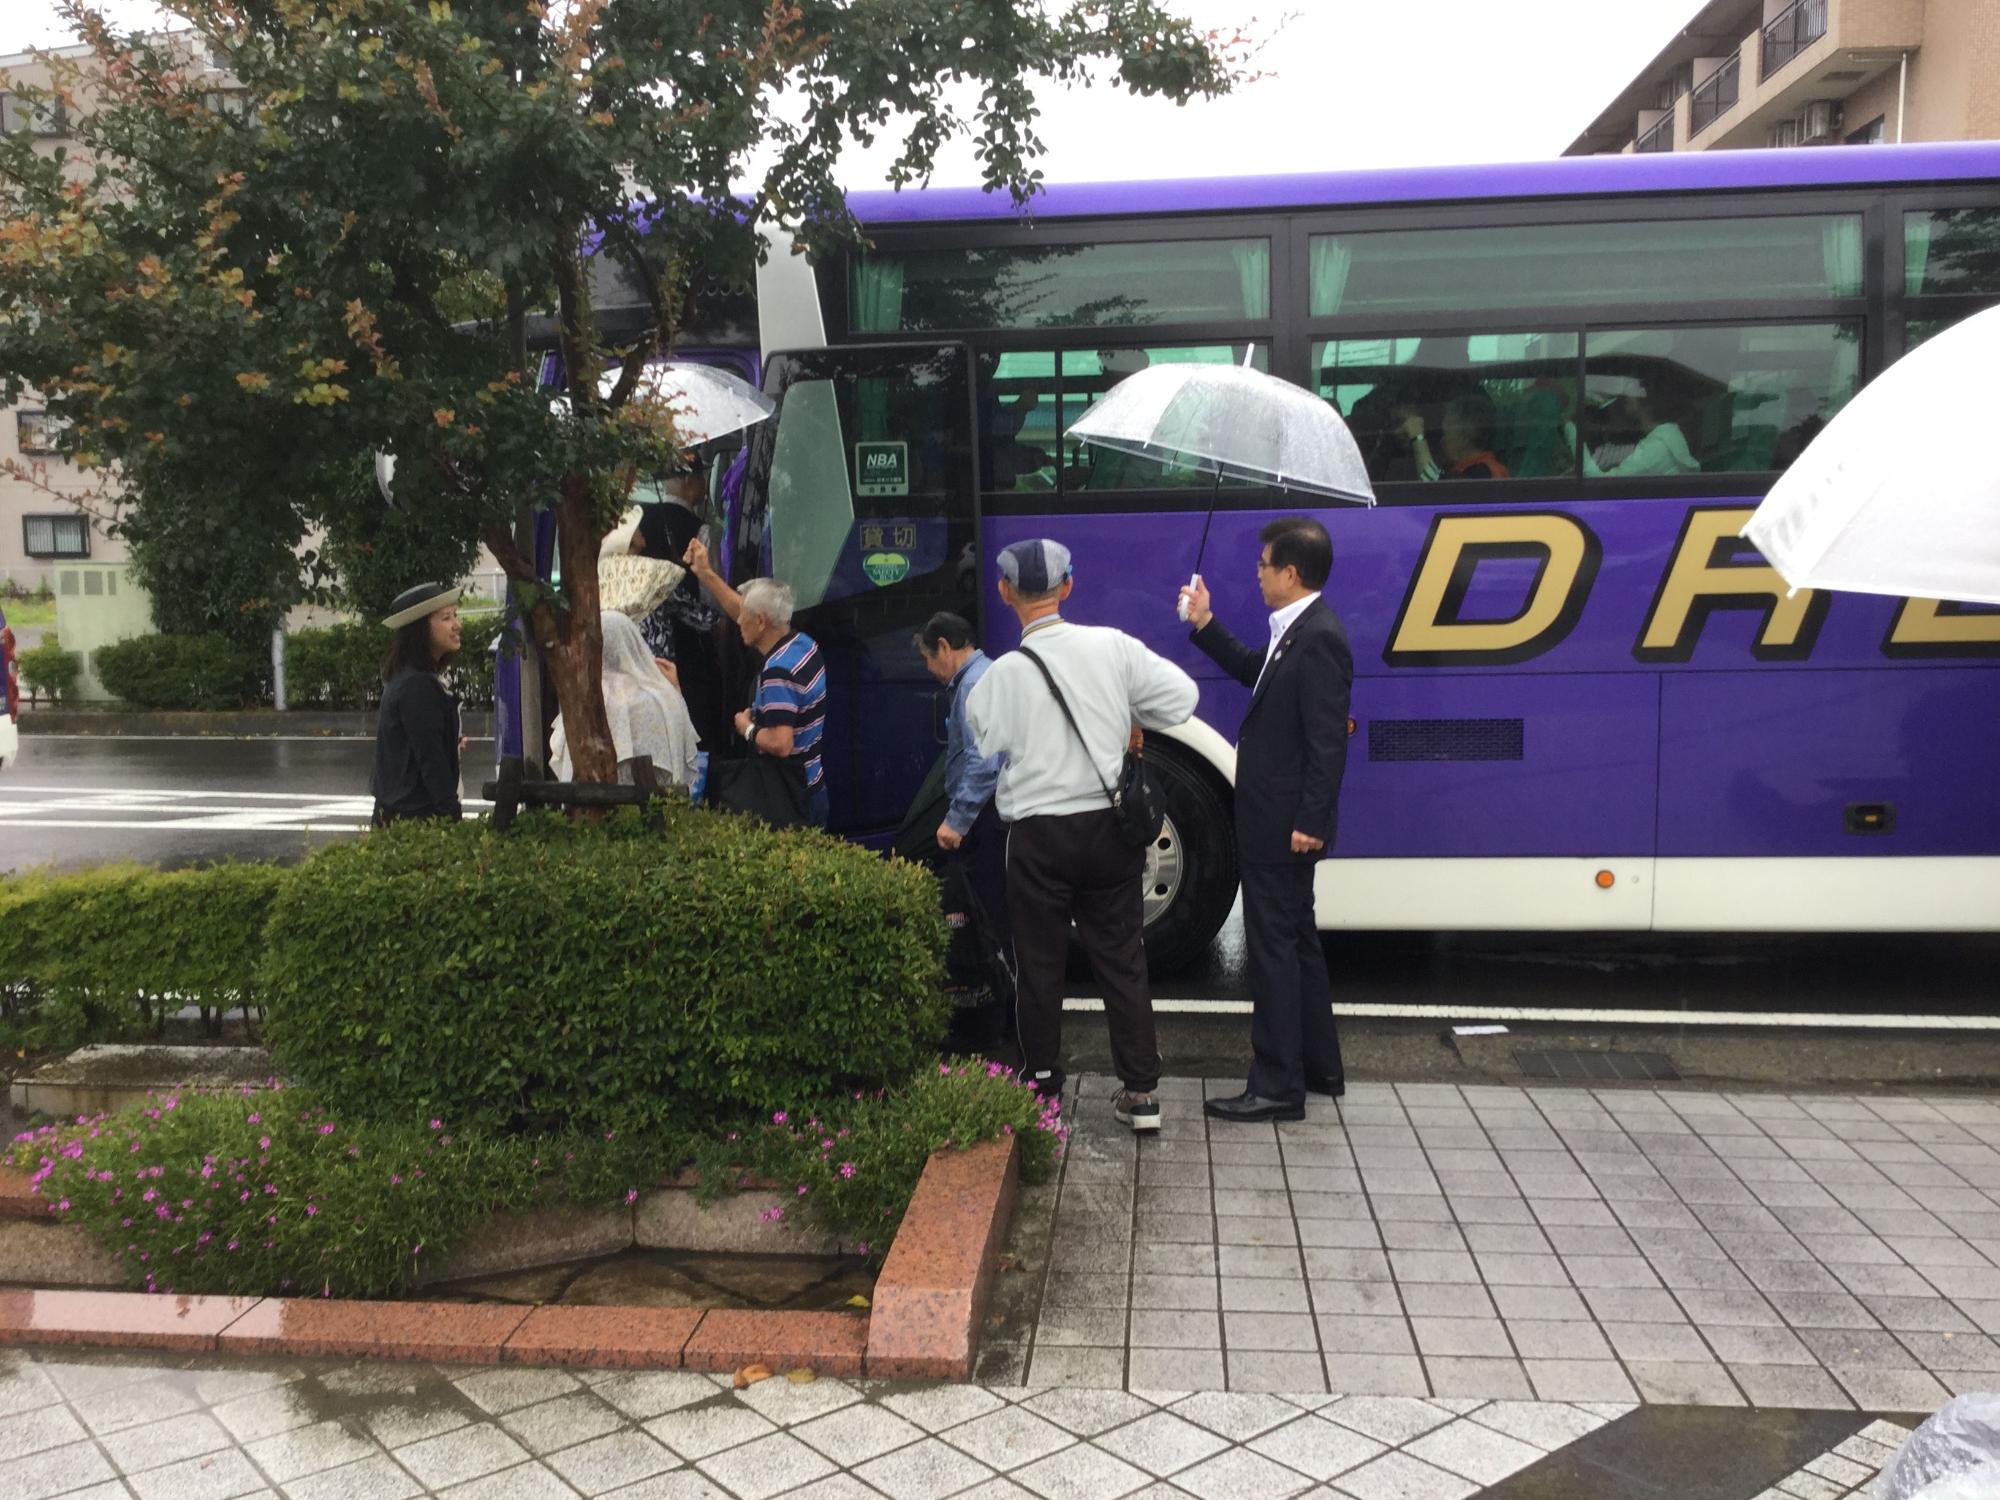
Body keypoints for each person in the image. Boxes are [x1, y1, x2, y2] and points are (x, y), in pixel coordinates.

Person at [966, 539, 1198, 1132]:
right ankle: (1141, 1093)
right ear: (1069, 587)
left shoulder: (1002, 675)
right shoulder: (1113, 647)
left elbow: (984, 742)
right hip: (1107, 827)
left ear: (1005, 592)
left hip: (1038, 836)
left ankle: (1041, 1083)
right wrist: (1129, 716)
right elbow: (1183, 698)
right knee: (1121, 957)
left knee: (1039, 961)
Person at [1179, 517, 1353, 1123]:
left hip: (1284, 826)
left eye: (1263, 564)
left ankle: (1277, 1085)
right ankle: (1319, 1066)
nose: (1256, 573)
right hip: (1278, 821)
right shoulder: (1295, 631)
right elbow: (1258, 670)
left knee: (1274, 949)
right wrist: (1204, 623)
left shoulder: (1320, 637)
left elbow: (1328, 740)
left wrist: (1312, 819)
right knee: (1297, 942)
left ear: (1291, 573)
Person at [682, 538, 830, 828]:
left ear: (761, 621)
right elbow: (743, 609)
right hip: (813, 785)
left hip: (790, 797)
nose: (737, 622)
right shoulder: (803, 645)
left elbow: (781, 743)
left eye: (745, 617)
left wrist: (746, 727)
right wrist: (705, 573)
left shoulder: (778, 672)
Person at [916, 612, 1011, 1040]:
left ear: (944, 647)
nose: (927, 669)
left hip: (984, 820)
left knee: (988, 919)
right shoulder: (984, 676)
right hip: (992, 815)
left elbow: (982, 761)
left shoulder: (973, 685)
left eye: (927, 658)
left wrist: (956, 821)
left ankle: (996, 1015)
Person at [631, 463, 728, 750]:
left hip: (632, 662)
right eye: (701, 476)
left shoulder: (641, 520)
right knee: (688, 728)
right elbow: (708, 601)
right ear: (688, 480)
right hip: (683, 653)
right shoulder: (699, 530)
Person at [549, 610, 701, 787]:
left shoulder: (586, 699)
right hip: (660, 806)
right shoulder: (664, 697)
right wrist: (674, 690)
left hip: (596, 806)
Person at [370, 582, 465, 825]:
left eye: (455, 615)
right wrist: (453, 818)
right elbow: (431, 760)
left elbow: (416, 743)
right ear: (420, 629)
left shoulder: (409, 677)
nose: (457, 625)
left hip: (399, 815)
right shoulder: (417, 685)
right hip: (414, 822)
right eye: (446, 618)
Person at [1576, 392, 1700, 477]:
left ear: (1643, 404)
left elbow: (1600, 481)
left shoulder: (1656, 448)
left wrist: (1571, 428)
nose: (1626, 397)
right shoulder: (1669, 437)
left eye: (1633, 391)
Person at [1402, 390, 1511, 480]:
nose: (1442, 441)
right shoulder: (1467, 470)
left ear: (1465, 438)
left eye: (1446, 434)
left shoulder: (1483, 472)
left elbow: (1433, 487)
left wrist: (1418, 437)